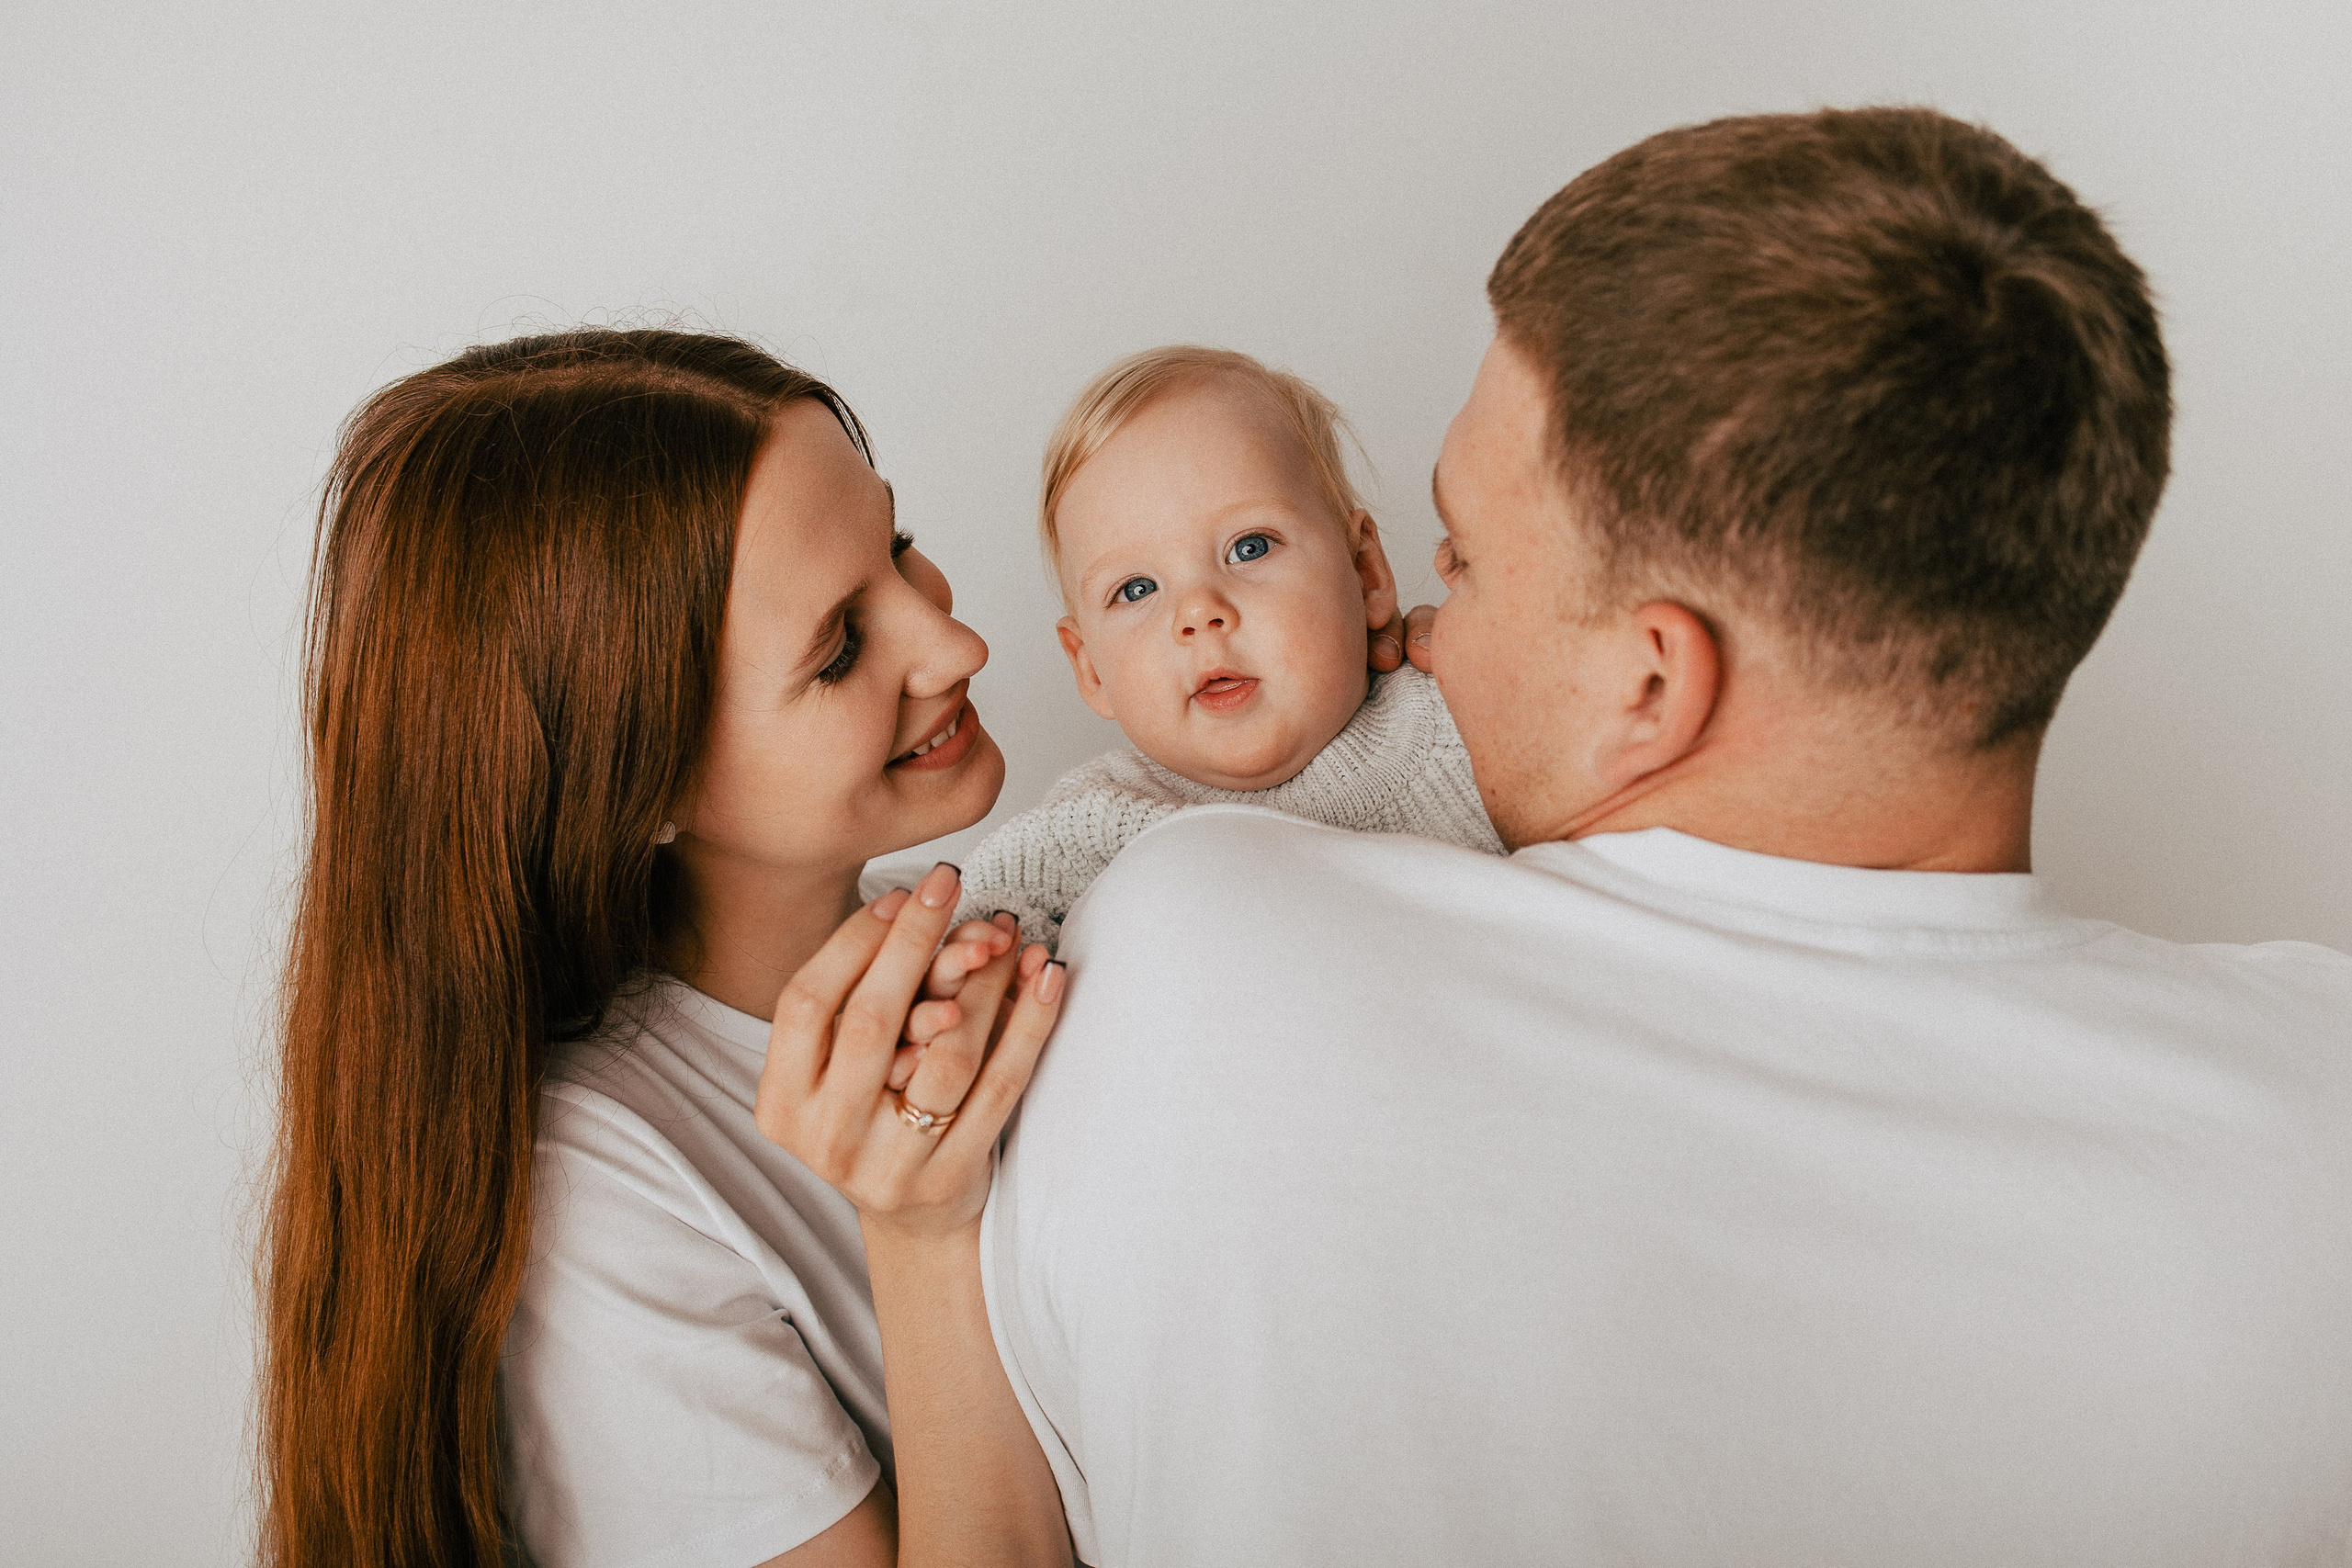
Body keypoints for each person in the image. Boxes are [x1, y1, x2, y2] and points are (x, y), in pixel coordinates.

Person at [971, 107, 2352, 1564]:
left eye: (1463, 557)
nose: (1419, 613)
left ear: (1649, 681)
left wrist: (925, 1240)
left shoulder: (1199, 938)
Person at [260, 329, 1079, 1568]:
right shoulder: (592, 1199)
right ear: (629, 782)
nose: (952, 646)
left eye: (900, 547)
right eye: (841, 647)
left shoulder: (991, 920)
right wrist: (918, 1235)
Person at [953, 344, 1498, 953]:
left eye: (1249, 548)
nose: (1197, 613)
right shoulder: (1099, 819)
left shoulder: (1466, 716)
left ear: (1366, 572)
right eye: (1137, 589)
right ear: (1090, 669)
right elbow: (980, 916)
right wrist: (982, 958)